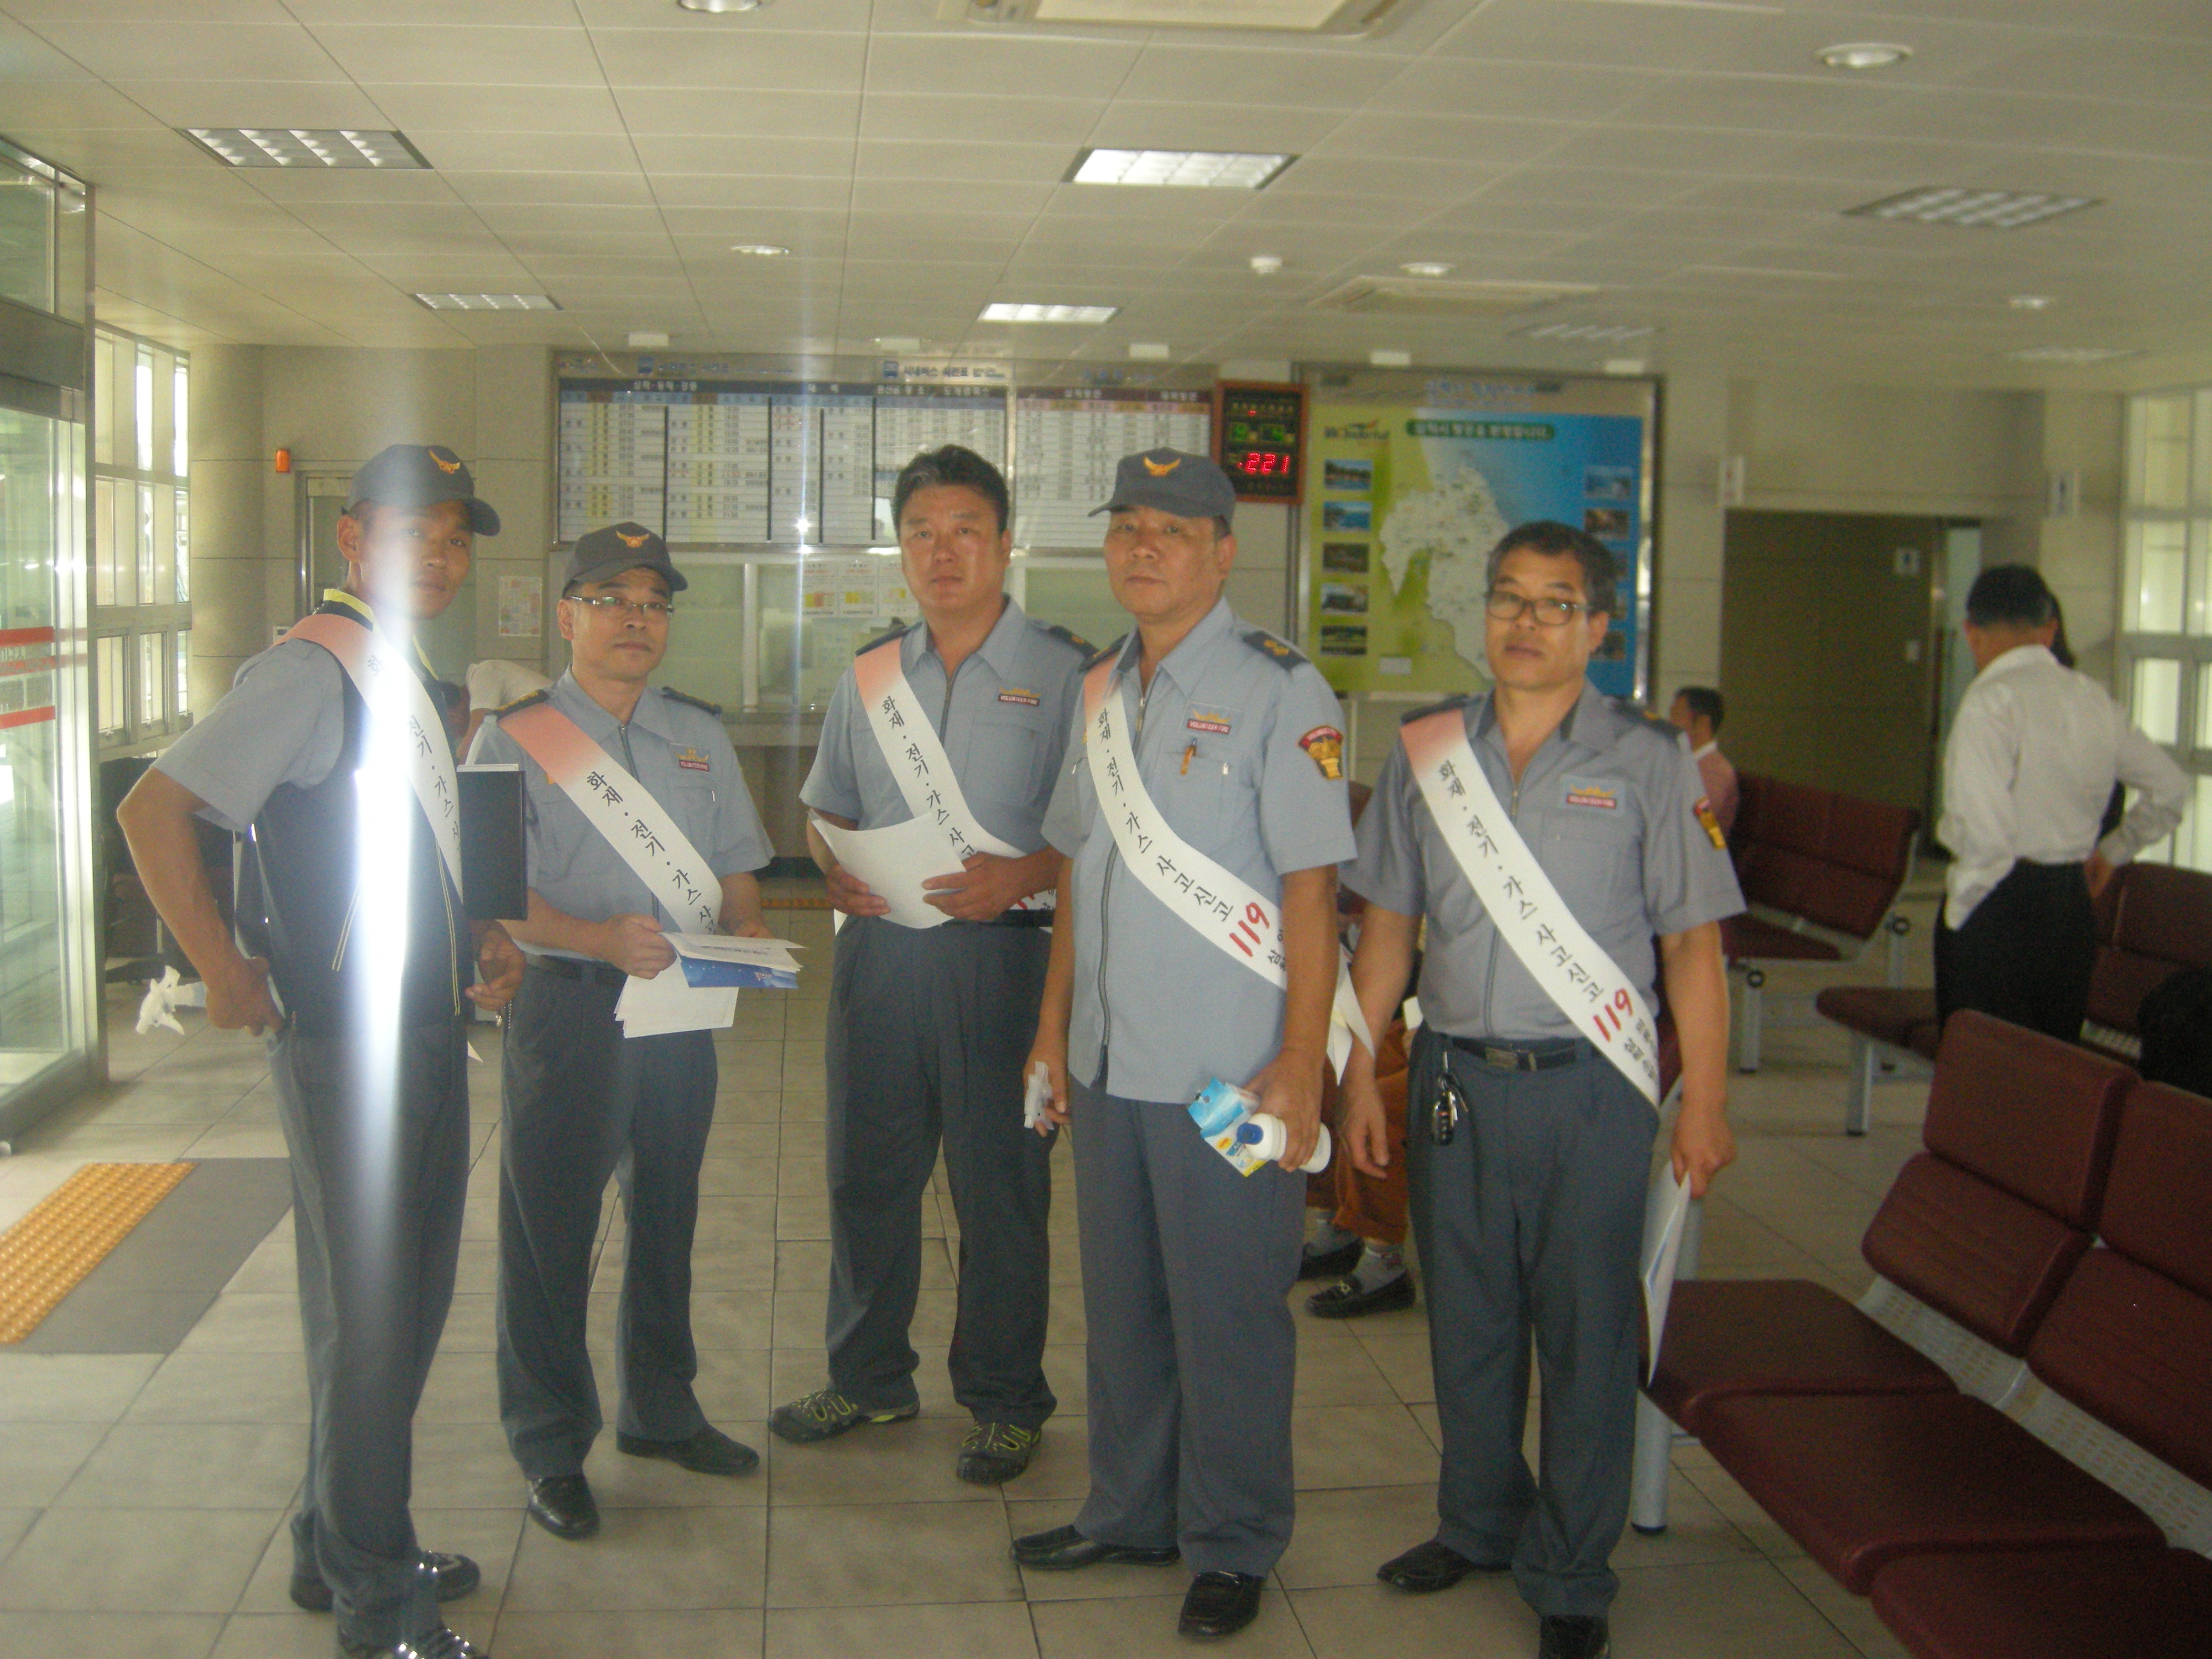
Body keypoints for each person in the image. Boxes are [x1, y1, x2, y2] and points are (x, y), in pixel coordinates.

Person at [117, 444, 525, 1659]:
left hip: (419, 1029)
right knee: (373, 1321)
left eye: (453, 538)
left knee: (392, 1313)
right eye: (412, 533)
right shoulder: (312, 671)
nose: (438, 557)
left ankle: (331, 1541)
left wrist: (476, 937)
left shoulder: (401, 672)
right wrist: (221, 967)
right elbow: (154, 808)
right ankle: (375, 1597)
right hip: (347, 1046)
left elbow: (395, 850)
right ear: (353, 540)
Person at [1339, 520, 1742, 1659]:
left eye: (1554, 603)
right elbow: (1387, 932)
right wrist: (1357, 1074)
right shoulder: (1428, 750)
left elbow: (1692, 950)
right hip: (1453, 1082)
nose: (1525, 622)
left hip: (1590, 1092)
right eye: (1507, 598)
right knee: (1466, 1321)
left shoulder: (1651, 760)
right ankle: (1476, 1523)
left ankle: (1569, 1571)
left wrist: (1705, 1103)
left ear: (1598, 626)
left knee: (1584, 1332)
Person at [1016, 448, 1356, 1644]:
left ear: (1223, 553)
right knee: (1123, 1311)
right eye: (1127, 527)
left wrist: (1302, 1063)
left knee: (1229, 1318)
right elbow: (1080, 872)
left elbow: (1312, 893)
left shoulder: (1282, 690)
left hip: (1230, 1075)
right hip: (1110, 1068)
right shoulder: (1098, 689)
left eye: (1172, 529)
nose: (1143, 547)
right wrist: (1053, 1029)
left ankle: (1233, 1539)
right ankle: (1129, 1510)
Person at [773, 446, 1087, 1484]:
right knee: (866, 1178)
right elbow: (826, 808)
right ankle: (867, 1377)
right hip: (880, 963)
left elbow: (1104, 834)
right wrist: (833, 867)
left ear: (1006, 543)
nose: (942, 553)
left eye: (965, 532)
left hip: (1007, 964)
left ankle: (1004, 1398)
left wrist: (1024, 874)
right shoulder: (869, 676)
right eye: (921, 534)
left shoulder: (1070, 675)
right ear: (899, 548)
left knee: (1000, 1193)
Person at [468, 523, 775, 1542]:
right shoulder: (513, 739)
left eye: (653, 603)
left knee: (668, 1215)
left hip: (682, 1006)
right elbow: (490, 891)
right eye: (612, 600)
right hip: (569, 1007)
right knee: (550, 1233)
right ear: (568, 616)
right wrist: (594, 937)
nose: (636, 619)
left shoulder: (698, 734)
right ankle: (550, 1444)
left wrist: (746, 928)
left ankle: (662, 1409)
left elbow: (736, 865)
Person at [1936, 564, 2188, 1042]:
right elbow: (2171, 788)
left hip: (1997, 904)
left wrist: (1962, 910)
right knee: (2053, 1062)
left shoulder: (1991, 701)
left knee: (1981, 1063)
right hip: (2068, 907)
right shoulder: (2093, 700)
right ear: (2050, 629)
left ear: (1972, 632)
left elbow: (1984, 832)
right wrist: (2113, 851)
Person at [1667, 686, 1737, 838]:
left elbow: (1696, 825)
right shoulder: (1683, 761)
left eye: (1677, 715)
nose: (1670, 723)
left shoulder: (1718, 772)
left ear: (1703, 722)